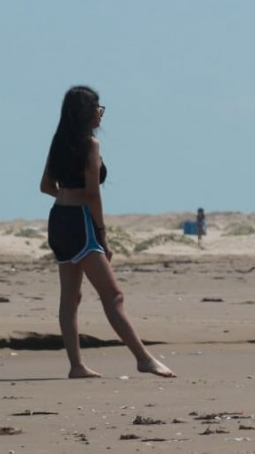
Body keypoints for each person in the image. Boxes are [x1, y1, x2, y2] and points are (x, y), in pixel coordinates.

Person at [38, 86, 175, 379]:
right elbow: (92, 195)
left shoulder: (59, 141)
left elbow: (46, 186)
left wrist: (66, 197)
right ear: (86, 112)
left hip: (58, 220)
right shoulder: (90, 145)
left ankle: (76, 365)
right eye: (98, 107)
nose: (101, 112)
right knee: (113, 295)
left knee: (70, 297)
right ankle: (144, 358)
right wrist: (101, 234)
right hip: (79, 221)